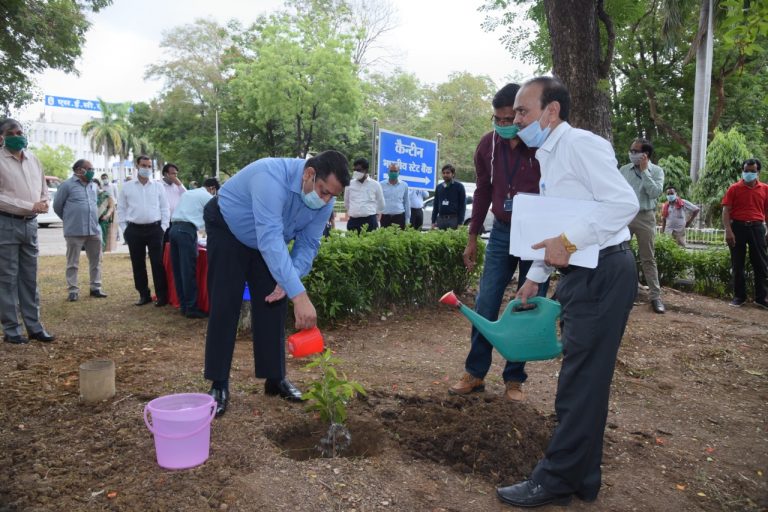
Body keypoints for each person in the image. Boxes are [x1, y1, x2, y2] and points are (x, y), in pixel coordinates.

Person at [495, 77, 639, 508]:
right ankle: (583, 478)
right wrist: (536, 275)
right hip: (583, 274)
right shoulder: (549, 155)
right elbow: (555, 225)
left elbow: (622, 204)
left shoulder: (579, 145)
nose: (516, 120)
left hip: (603, 272)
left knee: (579, 382)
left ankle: (554, 479)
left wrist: (570, 243)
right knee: (587, 381)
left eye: (523, 111)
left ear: (551, 111)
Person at [203, 151, 350, 416]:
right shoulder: (269, 177)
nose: (326, 200)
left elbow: (308, 243)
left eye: (332, 195)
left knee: (273, 301)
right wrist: (299, 295)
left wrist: (290, 278)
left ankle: (275, 378)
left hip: (265, 241)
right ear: (309, 174)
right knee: (225, 302)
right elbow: (270, 238)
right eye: (323, 191)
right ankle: (219, 383)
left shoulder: (324, 202)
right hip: (228, 228)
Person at [451, 83, 547, 403]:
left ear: (522, 115)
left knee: (526, 305)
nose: (504, 126)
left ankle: (514, 379)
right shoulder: (486, 146)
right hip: (503, 232)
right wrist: (472, 236)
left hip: (536, 235)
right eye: (498, 120)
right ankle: (475, 373)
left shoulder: (542, 144)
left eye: (510, 119)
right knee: (486, 300)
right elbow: (481, 191)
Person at [0, 119, 55, 344]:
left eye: (20, 131)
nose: (17, 135)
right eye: (12, 132)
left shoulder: (33, 159)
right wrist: (27, 205)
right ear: (2, 136)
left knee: (29, 278)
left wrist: (43, 202)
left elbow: (42, 189)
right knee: (7, 278)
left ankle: (34, 327)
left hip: (30, 224)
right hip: (6, 223)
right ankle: (12, 330)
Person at [619, 138, 665, 314]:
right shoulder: (624, 170)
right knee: (619, 255)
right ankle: (622, 293)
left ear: (645, 155)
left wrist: (645, 172)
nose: (631, 154)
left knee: (648, 258)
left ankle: (655, 297)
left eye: (635, 151)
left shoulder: (657, 171)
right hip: (625, 217)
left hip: (646, 217)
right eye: (631, 150)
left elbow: (654, 193)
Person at [118, 155, 170, 307]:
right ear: (137, 166)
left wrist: (163, 227)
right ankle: (143, 294)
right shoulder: (127, 186)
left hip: (155, 229)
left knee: (157, 263)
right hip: (134, 230)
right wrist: (124, 229)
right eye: (143, 165)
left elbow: (164, 207)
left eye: (149, 166)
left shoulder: (158, 186)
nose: (146, 168)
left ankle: (161, 296)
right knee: (138, 263)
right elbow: (121, 208)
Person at [53, 160, 108, 302]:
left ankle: (95, 287)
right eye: (89, 168)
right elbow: (57, 206)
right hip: (74, 230)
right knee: (73, 262)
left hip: (93, 229)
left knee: (96, 260)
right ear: (79, 170)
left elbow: (94, 205)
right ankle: (73, 290)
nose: (92, 171)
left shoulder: (93, 186)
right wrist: (70, 219)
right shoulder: (66, 185)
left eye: (92, 168)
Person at [169, 178, 219, 319]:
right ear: (212, 188)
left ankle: (184, 306)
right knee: (188, 271)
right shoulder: (207, 196)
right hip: (186, 231)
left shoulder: (188, 193)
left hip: (173, 229)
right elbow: (214, 217)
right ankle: (191, 308)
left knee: (178, 271)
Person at [722, 158, 768, 309]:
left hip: (757, 228)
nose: (749, 174)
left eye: (752, 171)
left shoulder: (765, 189)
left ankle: (761, 298)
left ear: (758, 172)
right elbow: (726, 211)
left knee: (761, 264)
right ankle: (739, 297)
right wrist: (728, 231)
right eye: (746, 171)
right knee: (737, 263)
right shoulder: (734, 188)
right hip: (738, 228)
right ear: (742, 171)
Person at [344, 157, 384, 233]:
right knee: (352, 244)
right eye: (354, 170)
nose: (355, 172)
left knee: (371, 244)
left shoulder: (375, 185)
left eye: (358, 170)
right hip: (353, 221)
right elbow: (346, 203)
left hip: (370, 221)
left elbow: (381, 203)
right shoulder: (349, 184)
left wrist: (375, 214)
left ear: (366, 170)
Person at [431, 164, 466, 229]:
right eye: (443, 173)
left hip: (453, 219)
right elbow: (435, 205)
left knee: (452, 239)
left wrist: (460, 223)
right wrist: (433, 221)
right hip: (441, 219)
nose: (445, 175)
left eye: (448, 173)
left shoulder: (459, 187)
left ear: (453, 174)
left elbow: (462, 206)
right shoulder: (439, 187)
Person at [161, 163, 186, 242]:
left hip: (176, 222)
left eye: (176, 174)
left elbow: (187, 196)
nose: (175, 176)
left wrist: (179, 184)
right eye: (173, 173)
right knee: (164, 246)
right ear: (166, 174)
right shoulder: (159, 185)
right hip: (163, 221)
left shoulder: (178, 186)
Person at [380, 163, 409, 228]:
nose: (393, 173)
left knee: (399, 237)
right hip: (385, 218)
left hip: (399, 217)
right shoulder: (381, 185)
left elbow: (406, 203)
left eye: (395, 171)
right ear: (388, 172)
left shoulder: (404, 185)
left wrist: (407, 219)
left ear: (399, 172)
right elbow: (378, 202)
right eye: (391, 171)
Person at [95, 178, 116, 252]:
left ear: (98, 185)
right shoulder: (88, 195)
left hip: (102, 220)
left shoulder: (105, 195)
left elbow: (111, 207)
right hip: (91, 221)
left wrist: (107, 215)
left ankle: (101, 254)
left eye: (95, 185)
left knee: (102, 239)